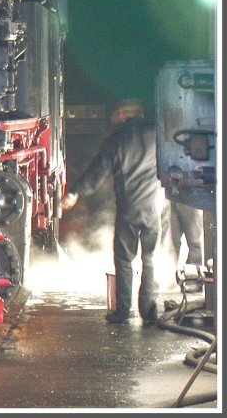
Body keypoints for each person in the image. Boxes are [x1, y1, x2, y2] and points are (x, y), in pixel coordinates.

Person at [61, 98, 167, 325]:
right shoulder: (157, 136)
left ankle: (122, 312)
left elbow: (96, 173)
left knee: (124, 260)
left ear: (122, 116)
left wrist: (74, 193)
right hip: (153, 207)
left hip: (128, 208)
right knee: (150, 258)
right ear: (141, 115)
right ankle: (149, 311)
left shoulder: (116, 140)